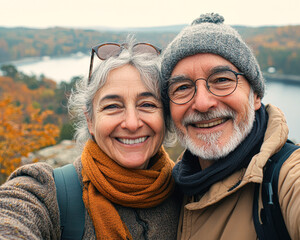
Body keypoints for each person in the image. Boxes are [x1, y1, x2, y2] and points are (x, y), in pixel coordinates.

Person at [0, 36, 181, 239]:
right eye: (113, 106)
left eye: (147, 104)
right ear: (90, 121)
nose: (132, 123)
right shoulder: (48, 191)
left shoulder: (188, 193)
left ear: (165, 117)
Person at [160, 12, 300, 240]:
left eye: (222, 80)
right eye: (183, 87)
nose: (203, 103)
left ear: (255, 96)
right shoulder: (175, 189)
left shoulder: (290, 175)